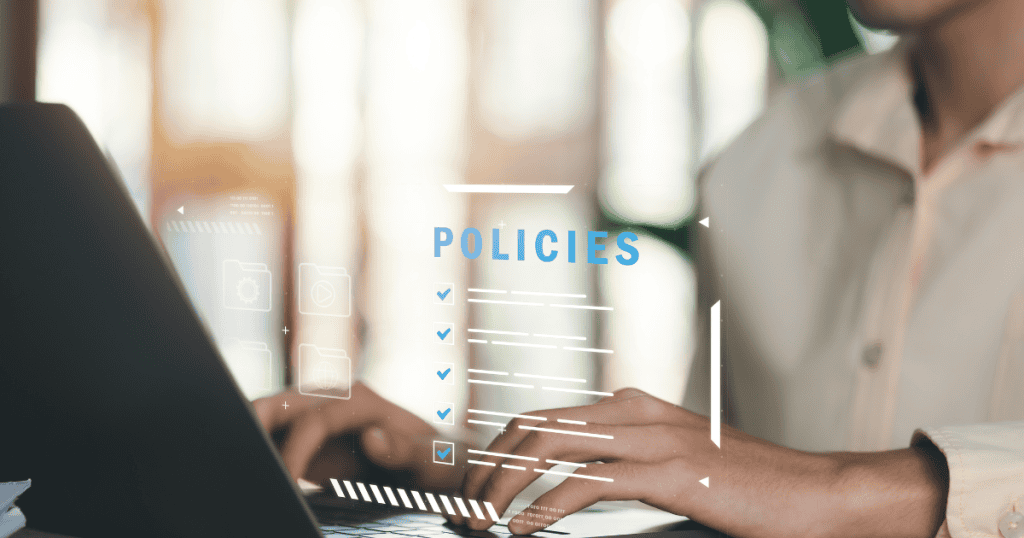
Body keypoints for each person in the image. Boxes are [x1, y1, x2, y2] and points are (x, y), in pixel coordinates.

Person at [256, 0, 1024, 536]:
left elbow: (794, 492)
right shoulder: (760, 166)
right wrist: (439, 465)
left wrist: (847, 492)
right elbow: (720, 498)